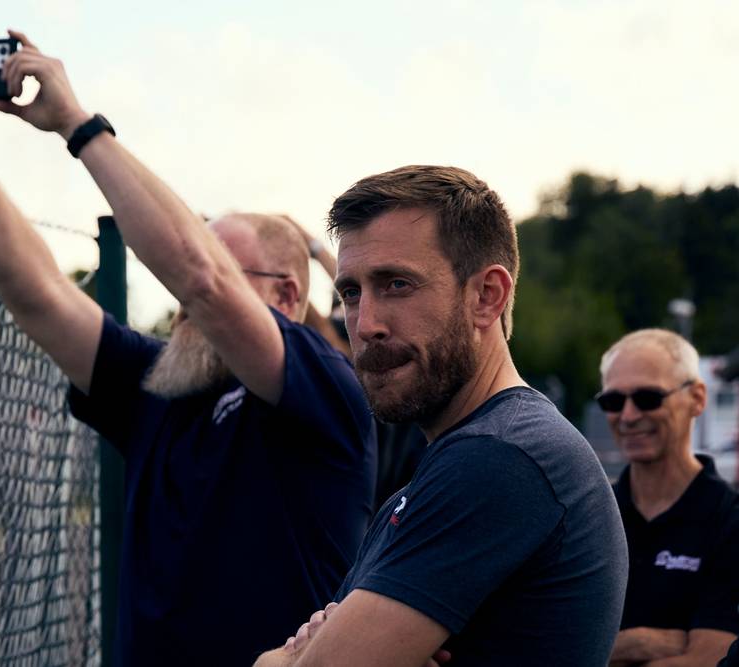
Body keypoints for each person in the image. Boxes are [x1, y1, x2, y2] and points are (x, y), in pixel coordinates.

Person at [0, 25, 376, 667]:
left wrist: (77, 123)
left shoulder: (323, 385)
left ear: (287, 297)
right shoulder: (161, 385)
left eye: (226, 267)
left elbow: (201, 278)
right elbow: (39, 290)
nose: (183, 300)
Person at [255, 165, 628, 666]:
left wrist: (285, 657)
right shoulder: (473, 453)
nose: (365, 325)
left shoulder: (499, 459)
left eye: (397, 284)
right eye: (351, 293)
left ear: (486, 296)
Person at [599, 329, 739, 666]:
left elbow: (710, 659)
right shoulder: (591, 516)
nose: (629, 416)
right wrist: (640, 643)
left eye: (648, 398)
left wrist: (597, 650)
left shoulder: (729, 521)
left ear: (697, 398)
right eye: (613, 401)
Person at [289, 218, 429, 508]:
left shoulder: (374, 347)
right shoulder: (341, 342)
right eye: (351, 296)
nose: (365, 325)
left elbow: (332, 334)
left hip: (396, 477)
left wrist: (310, 244)